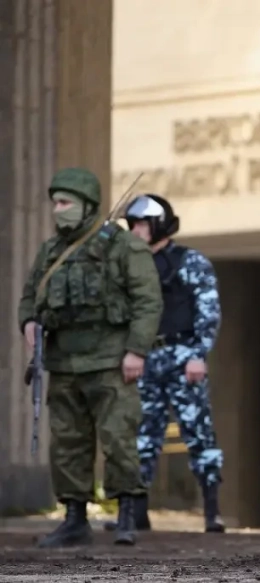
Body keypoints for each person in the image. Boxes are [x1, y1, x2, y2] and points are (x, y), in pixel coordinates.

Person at [17, 167, 163, 547]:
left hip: (111, 361)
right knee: (67, 442)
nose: (57, 210)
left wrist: (136, 350)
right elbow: (30, 296)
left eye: (65, 203)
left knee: (118, 439)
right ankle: (74, 519)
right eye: (55, 203)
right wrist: (28, 323)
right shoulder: (51, 251)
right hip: (64, 362)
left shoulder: (124, 246)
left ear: (87, 205)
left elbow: (148, 301)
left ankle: (127, 514)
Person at [103, 193, 226, 533]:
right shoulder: (130, 264)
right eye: (132, 224)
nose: (136, 230)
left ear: (159, 225)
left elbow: (208, 310)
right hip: (143, 358)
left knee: (198, 433)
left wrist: (199, 353)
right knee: (141, 436)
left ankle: (212, 511)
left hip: (183, 355)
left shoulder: (189, 261)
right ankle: (135, 513)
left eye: (142, 224)